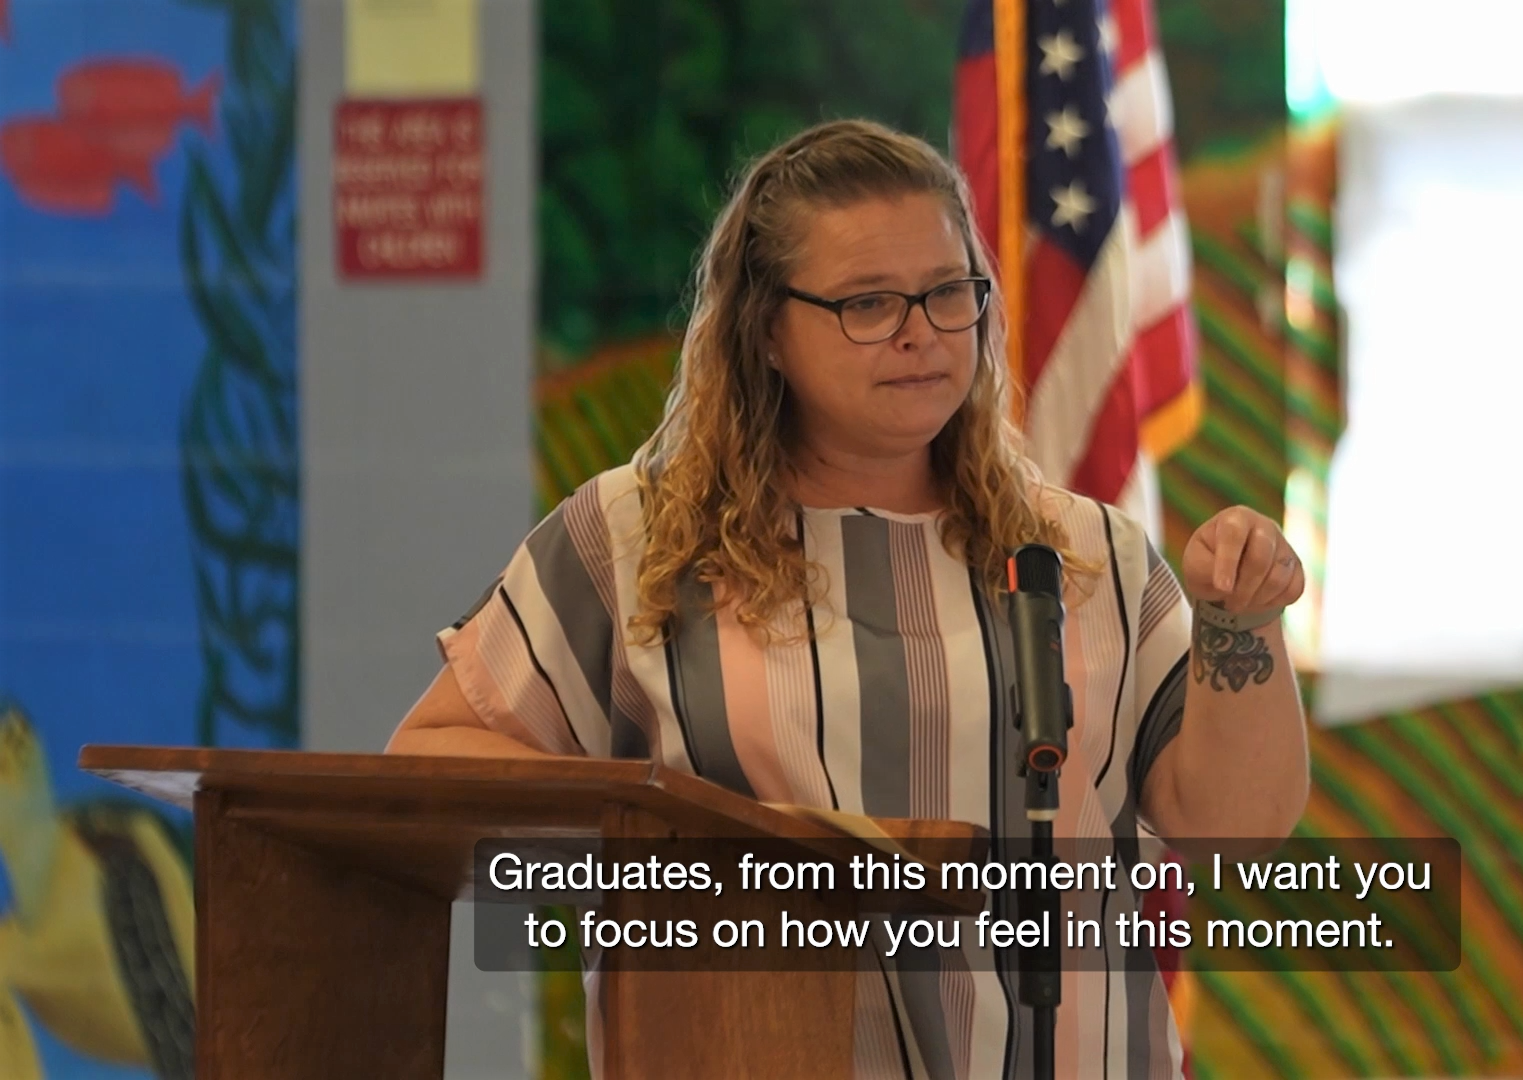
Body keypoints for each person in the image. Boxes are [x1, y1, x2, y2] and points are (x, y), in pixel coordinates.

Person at [387, 118, 1310, 1078]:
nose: (920, 334)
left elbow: (1230, 825)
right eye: (868, 303)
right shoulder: (637, 538)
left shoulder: (1083, 552)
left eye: (949, 294)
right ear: (767, 331)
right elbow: (432, 758)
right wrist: (655, 839)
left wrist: (1241, 623)